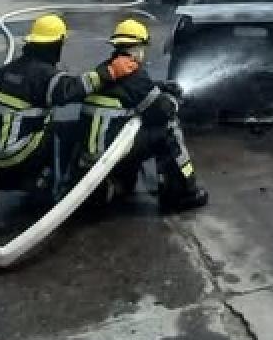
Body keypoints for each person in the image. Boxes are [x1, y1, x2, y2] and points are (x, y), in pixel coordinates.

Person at [0, 14, 139, 205]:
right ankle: (58, 185)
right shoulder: (42, 74)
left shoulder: (9, 70)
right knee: (71, 132)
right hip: (21, 149)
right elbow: (69, 90)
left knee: (49, 130)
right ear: (55, 44)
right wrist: (109, 73)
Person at [78, 19, 209, 212]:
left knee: (134, 127)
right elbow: (161, 111)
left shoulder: (106, 69)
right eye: (143, 47)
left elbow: (129, 91)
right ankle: (183, 193)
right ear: (137, 48)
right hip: (111, 152)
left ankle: (122, 181)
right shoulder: (134, 76)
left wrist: (160, 86)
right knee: (167, 130)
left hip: (95, 153)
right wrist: (173, 100)